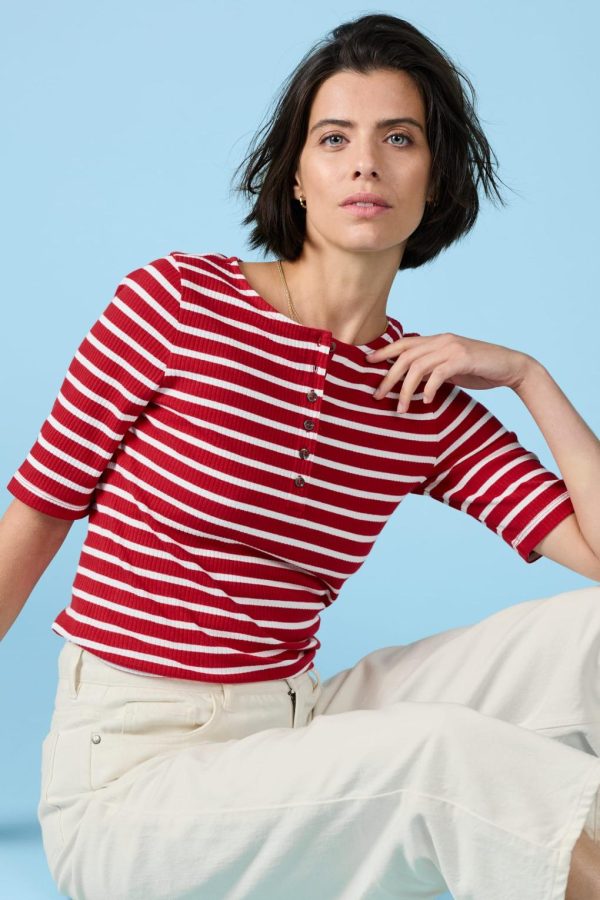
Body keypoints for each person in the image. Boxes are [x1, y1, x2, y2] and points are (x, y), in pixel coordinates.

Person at [2, 11, 600, 899]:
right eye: (335, 138)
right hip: (133, 785)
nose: (365, 164)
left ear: (436, 179)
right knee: (443, 757)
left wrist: (528, 376)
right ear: (297, 174)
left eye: (399, 138)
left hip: (295, 725)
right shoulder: (175, 305)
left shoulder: (418, 394)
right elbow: (36, 519)